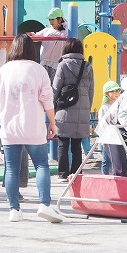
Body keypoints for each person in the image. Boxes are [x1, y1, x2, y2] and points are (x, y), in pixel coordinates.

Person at [0, 33, 62, 223]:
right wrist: (52, 123)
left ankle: (14, 210)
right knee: (41, 165)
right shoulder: (38, 69)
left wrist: (4, 118)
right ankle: (45, 204)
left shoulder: (3, 70)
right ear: (32, 49)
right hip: (33, 125)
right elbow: (47, 99)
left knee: (11, 169)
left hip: (9, 127)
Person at [53, 38, 94, 182]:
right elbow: (91, 90)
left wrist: (51, 107)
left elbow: (55, 88)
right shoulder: (88, 66)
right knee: (77, 145)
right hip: (83, 109)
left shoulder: (63, 65)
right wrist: (87, 108)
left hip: (65, 108)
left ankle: (63, 174)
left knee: (63, 144)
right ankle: (76, 174)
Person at [33, 7, 68, 82]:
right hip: (44, 61)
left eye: (52, 19)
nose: (50, 22)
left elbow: (64, 34)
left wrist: (63, 23)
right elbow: (36, 37)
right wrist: (32, 35)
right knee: (42, 82)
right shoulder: (46, 31)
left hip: (56, 63)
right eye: (49, 20)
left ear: (59, 20)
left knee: (54, 83)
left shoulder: (63, 31)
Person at [98, 80, 121, 175]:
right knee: (106, 160)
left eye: (118, 90)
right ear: (107, 93)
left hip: (118, 136)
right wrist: (103, 139)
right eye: (113, 91)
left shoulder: (119, 105)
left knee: (117, 159)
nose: (117, 93)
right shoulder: (104, 107)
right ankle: (105, 176)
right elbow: (101, 124)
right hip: (108, 137)